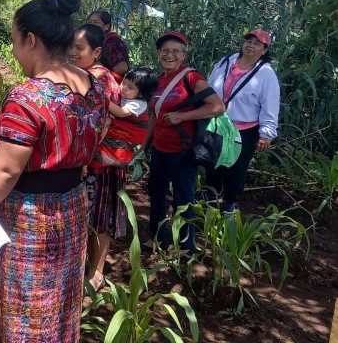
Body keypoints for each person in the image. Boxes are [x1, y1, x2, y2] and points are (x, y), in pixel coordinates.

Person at [0, 0, 108, 342]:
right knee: (61, 301)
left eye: (14, 42)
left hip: (31, 218)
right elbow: (99, 132)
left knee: (27, 306)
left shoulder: (28, 96)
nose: (14, 52)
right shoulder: (95, 85)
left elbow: (7, 170)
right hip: (73, 206)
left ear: (31, 41)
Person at [142, 31, 225, 253]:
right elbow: (154, 115)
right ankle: (158, 238)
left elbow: (218, 106)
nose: (170, 55)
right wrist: (144, 146)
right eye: (165, 51)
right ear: (158, 54)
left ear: (183, 55)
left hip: (183, 151)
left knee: (183, 198)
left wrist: (183, 116)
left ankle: (186, 245)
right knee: (157, 194)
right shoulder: (157, 81)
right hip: (160, 149)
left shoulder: (191, 78)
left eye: (175, 51)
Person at [68, 24, 123, 291]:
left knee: (98, 217)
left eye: (79, 48)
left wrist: (85, 159)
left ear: (97, 51)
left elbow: (104, 123)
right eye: (71, 47)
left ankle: (97, 272)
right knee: (89, 215)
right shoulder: (85, 75)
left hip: (98, 163)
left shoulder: (99, 79)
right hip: (90, 161)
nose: (72, 52)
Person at [204, 29, 279, 213]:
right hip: (217, 122)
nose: (251, 45)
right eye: (248, 41)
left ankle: (230, 202)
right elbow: (209, 85)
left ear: (264, 49)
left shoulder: (266, 74)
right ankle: (211, 196)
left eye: (257, 43)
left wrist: (266, 134)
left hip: (244, 128)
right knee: (212, 161)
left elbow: (270, 104)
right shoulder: (225, 62)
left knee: (236, 167)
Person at [94, 66, 159, 168]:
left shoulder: (139, 104)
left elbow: (121, 112)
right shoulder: (128, 95)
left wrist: (104, 99)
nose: (124, 87)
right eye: (124, 83)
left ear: (142, 93)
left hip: (128, 136)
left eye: (130, 87)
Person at [87, 10, 129, 78]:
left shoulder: (111, 42)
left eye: (96, 22)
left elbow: (122, 68)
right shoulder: (96, 41)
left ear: (106, 26)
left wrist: (98, 77)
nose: (91, 25)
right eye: (89, 22)